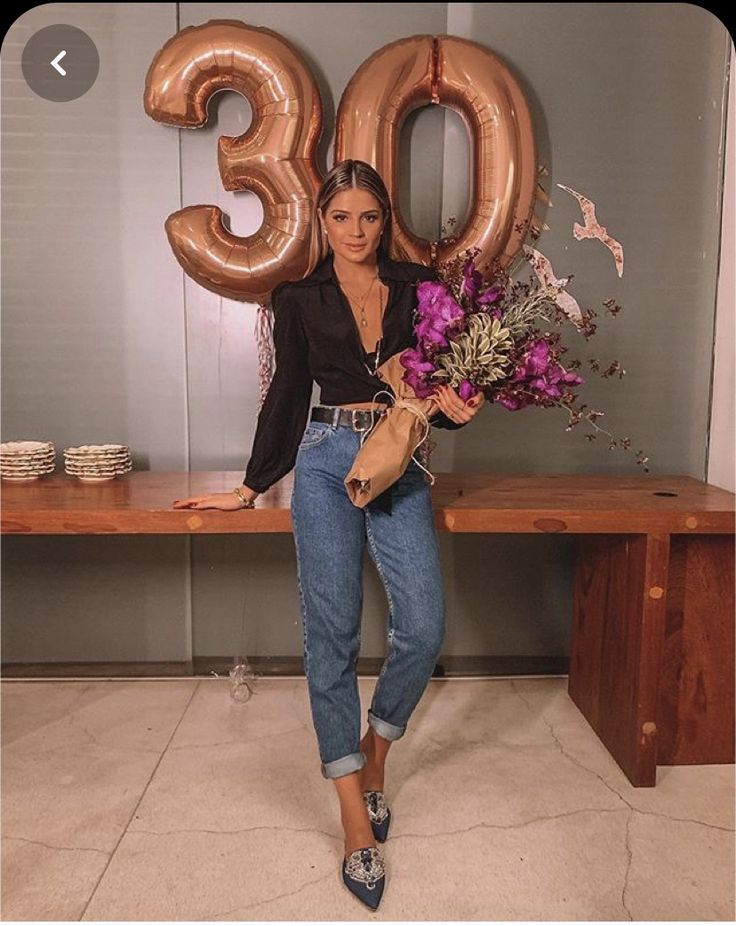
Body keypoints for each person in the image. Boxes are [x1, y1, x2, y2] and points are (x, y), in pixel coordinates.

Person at [173, 159, 484, 909]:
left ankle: (376, 752)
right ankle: (353, 813)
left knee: (422, 627)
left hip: (396, 459)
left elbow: (434, 386)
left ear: (385, 219)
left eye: (369, 218)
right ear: (323, 221)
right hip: (321, 461)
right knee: (331, 637)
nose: (356, 232)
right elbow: (286, 393)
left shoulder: (418, 288)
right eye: (341, 218)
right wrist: (251, 487)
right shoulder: (299, 297)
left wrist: (455, 405)